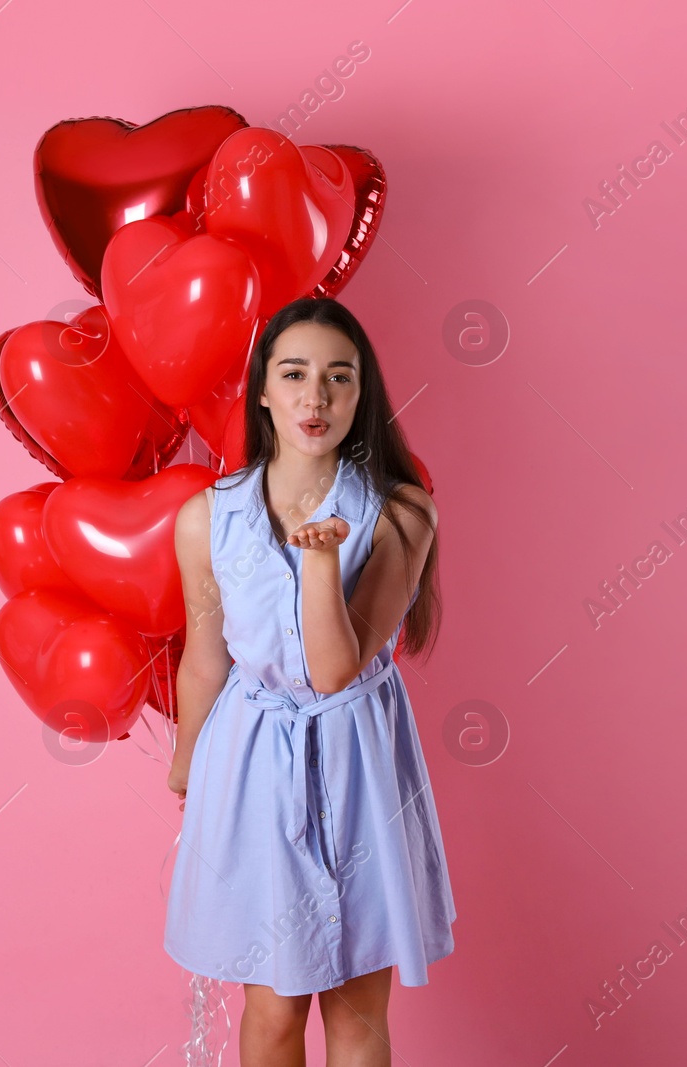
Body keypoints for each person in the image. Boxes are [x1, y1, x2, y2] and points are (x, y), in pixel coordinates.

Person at [163, 296, 456, 1066]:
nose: (315, 397)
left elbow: (333, 669)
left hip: (358, 756)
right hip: (253, 760)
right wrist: (191, 764)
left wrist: (322, 561)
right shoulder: (207, 517)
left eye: (338, 377)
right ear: (263, 389)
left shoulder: (401, 515)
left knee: (358, 999)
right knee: (272, 1002)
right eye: (293, 374)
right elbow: (204, 656)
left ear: (362, 396)